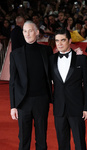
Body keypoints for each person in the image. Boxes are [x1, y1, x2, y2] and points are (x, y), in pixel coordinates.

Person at [9, 21, 53, 150]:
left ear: (37, 32)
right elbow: (13, 81)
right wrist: (13, 106)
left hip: (41, 100)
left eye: (30, 31)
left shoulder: (46, 50)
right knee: (23, 138)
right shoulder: (15, 54)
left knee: (41, 138)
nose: (27, 34)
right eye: (25, 31)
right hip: (23, 102)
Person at [49, 29, 87, 150]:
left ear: (69, 41)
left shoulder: (81, 59)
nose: (59, 43)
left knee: (79, 142)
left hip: (77, 107)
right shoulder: (51, 60)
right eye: (57, 40)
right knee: (62, 143)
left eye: (63, 40)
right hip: (59, 108)